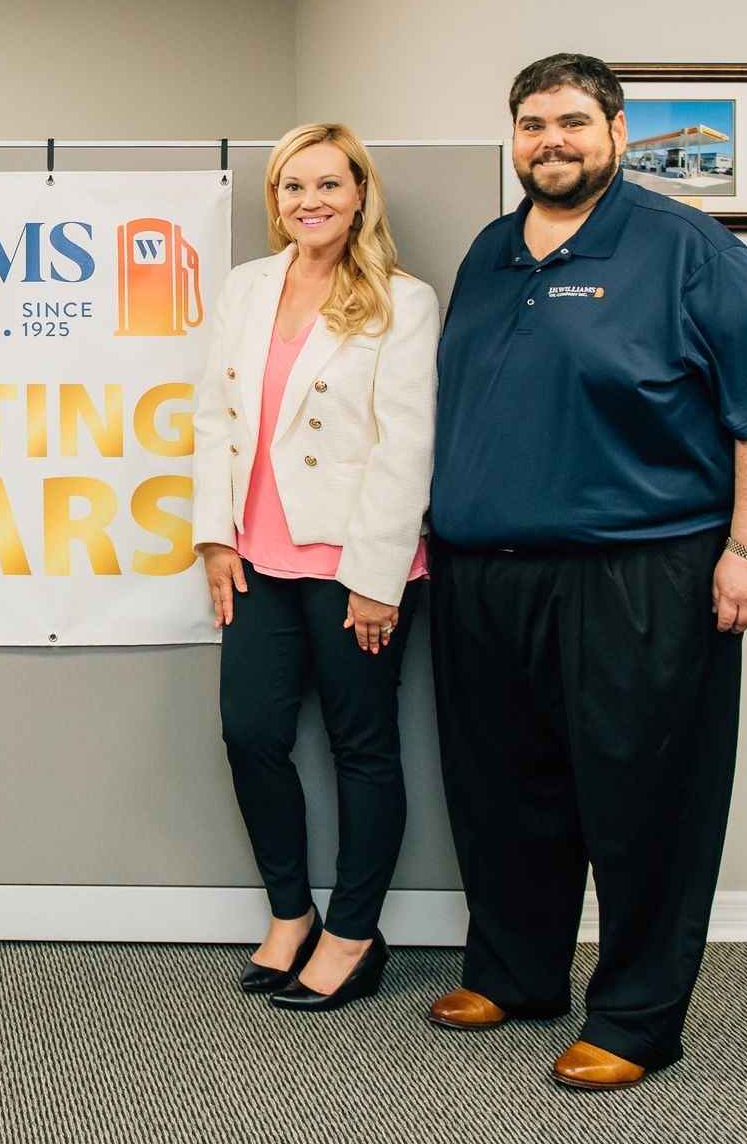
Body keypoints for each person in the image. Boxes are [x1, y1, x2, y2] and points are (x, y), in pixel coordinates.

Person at [426, 53, 747, 1088]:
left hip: (639, 573)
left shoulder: (688, 249)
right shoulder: (491, 251)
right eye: (533, 124)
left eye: (572, 122)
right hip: (486, 575)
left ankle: (636, 1018)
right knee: (504, 791)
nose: (551, 141)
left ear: (617, 131)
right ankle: (514, 972)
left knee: (646, 801)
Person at [191, 123, 438, 1012]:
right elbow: (214, 418)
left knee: (361, 746)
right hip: (256, 555)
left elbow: (407, 445)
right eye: (294, 187)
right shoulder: (249, 287)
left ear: (361, 193)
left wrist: (378, 575)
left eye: (330, 185)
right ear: (276, 199)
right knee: (250, 732)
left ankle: (353, 932)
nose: (311, 202)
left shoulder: (402, 301)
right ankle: (290, 914)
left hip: (353, 564)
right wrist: (214, 533)